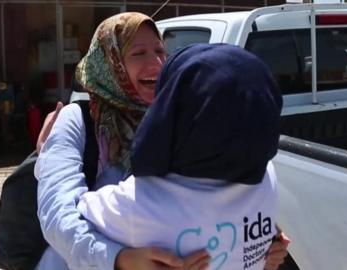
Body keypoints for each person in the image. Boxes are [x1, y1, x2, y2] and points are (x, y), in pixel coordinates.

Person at [35, 12, 289, 270]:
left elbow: (213, 199)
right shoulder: (77, 119)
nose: (156, 63)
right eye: (138, 53)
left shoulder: (184, 115)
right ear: (110, 61)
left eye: (160, 50)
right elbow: (58, 214)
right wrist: (118, 258)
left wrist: (257, 241)